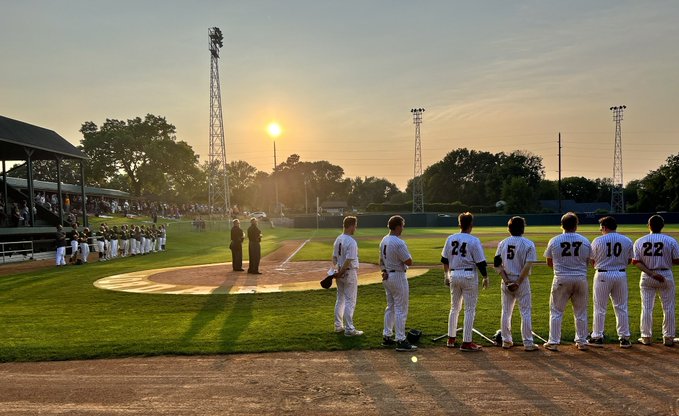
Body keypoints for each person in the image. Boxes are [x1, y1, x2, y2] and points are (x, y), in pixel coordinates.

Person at [543, 212, 592, 351]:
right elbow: (588, 261)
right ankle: (582, 341)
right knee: (581, 312)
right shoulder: (585, 240)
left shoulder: (554, 240)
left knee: (556, 312)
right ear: (576, 225)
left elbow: (549, 262)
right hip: (580, 278)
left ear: (561, 225)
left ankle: (553, 342)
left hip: (561, 278)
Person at [442, 212, 489, 352]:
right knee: (469, 309)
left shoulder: (450, 238)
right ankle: (467, 342)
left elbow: (444, 260)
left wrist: (446, 275)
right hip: (468, 275)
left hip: (454, 274)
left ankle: (451, 339)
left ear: (459, 224)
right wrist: (485, 277)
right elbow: (481, 262)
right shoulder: (474, 240)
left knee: (454, 308)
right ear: (471, 225)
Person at [632, 214, 679, 346]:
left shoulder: (640, 241)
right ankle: (668, 338)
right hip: (666, 275)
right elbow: (676, 260)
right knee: (668, 307)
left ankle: (646, 337)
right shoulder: (671, 241)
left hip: (647, 275)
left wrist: (652, 273)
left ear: (649, 225)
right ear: (663, 226)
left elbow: (635, 262)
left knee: (647, 307)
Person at [494, 216, 538, 351]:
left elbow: (497, 264)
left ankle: (506, 341)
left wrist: (507, 281)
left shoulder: (502, 243)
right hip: (522, 281)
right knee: (525, 311)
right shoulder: (529, 244)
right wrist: (518, 283)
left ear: (509, 229)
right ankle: (528, 343)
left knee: (506, 311)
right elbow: (527, 266)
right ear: (523, 229)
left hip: (506, 280)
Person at [589, 216, 634, 348]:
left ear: (604, 227)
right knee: (621, 307)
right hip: (620, 274)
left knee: (600, 307)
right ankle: (624, 338)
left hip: (602, 273)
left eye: (601, 228)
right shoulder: (626, 240)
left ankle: (597, 337)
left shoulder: (597, 241)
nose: (600, 230)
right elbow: (629, 260)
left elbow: (592, 261)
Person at [379, 215, 417, 351]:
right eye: (402, 225)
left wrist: (383, 270)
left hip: (387, 276)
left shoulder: (384, 240)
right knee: (401, 308)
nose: (403, 228)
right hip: (398, 276)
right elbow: (409, 261)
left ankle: (387, 336)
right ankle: (400, 340)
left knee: (391, 307)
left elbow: (381, 261)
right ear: (397, 226)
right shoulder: (398, 242)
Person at [332, 216, 363, 336]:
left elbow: (334, 258)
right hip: (348, 272)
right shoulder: (351, 241)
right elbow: (349, 260)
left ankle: (338, 326)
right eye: (355, 225)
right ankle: (349, 329)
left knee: (340, 299)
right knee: (350, 300)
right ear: (350, 226)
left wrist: (336, 270)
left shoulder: (338, 239)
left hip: (340, 272)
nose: (356, 228)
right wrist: (341, 271)